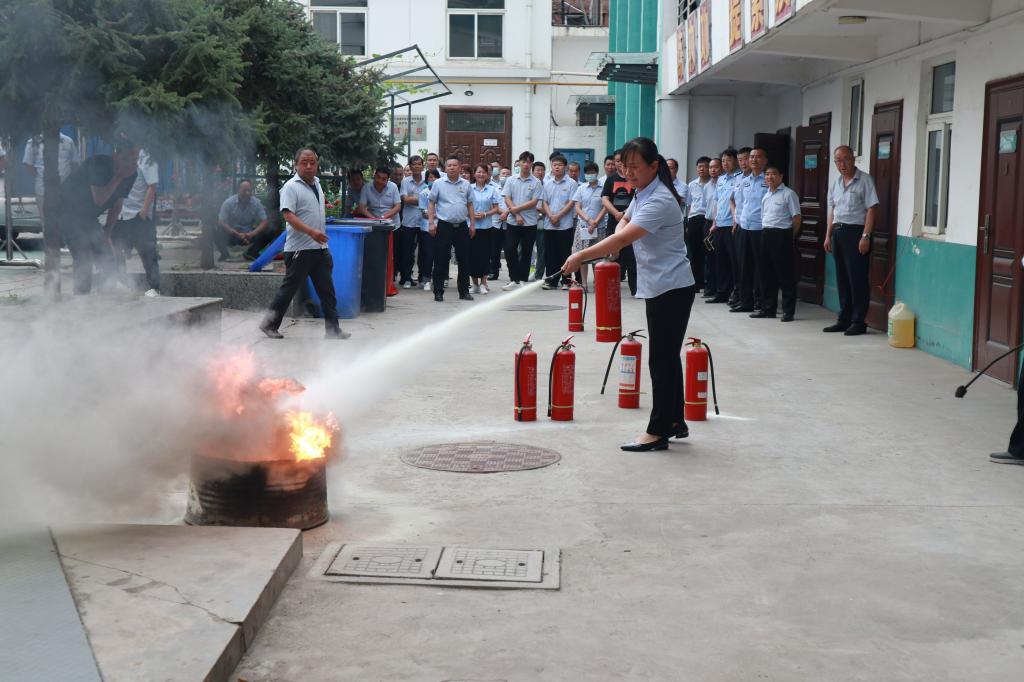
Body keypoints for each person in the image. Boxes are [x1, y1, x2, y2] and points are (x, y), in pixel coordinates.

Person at [562, 137, 696, 452]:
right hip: (661, 285)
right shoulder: (643, 193)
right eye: (625, 167)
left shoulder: (659, 200)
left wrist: (581, 255)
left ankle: (658, 431)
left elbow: (622, 239)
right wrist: (613, 242)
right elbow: (623, 222)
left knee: (660, 360)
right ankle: (675, 421)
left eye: (635, 167)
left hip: (671, 287)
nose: (629, 173)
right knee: (667, 357)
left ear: (654, 166)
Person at [260, 147, 348, 340]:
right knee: (289, 290)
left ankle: (333, 330)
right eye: (304, 163)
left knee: (327, 291)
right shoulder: (291, 187)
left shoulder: (317, 183)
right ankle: (269, 324)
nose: (308, 166)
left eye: (312, 163)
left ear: (317, 165)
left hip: (319, 248)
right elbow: (288, 215)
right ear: (296, 165)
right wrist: (311, 232)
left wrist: (317, 235)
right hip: (300, 249)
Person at [58, 141, 138, 294]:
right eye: (127, 158)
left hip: (88, 216)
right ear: (116, 155)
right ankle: (81, 298)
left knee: (106, 254)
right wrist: (118, 177)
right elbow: (99, 199)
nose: (132, 163)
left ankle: (106, 295)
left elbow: (118, 204)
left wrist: (107, 233)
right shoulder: (99, 165)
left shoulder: (132, 174)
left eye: (135, 159)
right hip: (67, 211)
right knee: (83, 255)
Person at [824, 145, 879, 336]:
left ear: (853, 159)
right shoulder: (836, 183)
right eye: (838, 161)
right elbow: (833, 210)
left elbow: (871, 209)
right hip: (838, 233)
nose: (842, 164)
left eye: (845, 159)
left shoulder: (865, 180)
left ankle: (858, 321)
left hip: (856, 234)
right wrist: (828, 235)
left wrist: (866, 236)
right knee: (842, 279)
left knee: (857, 279)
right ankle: (844, 319)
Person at [756, 165, 801, 321]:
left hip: (782, 235)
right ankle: (768, 309)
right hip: (766, 234)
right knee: (766, 274)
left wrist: (790, 237)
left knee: (785, 275)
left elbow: (797, 218)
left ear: (781, 176)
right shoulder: (766, 195)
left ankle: (788, 311)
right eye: (767, 174)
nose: (770, 177)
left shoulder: (789, 194)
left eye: (773, 174)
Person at [112, 149, 161, 296]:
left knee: (148, 254)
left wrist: (143, 213)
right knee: (116, 250)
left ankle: (154, 288)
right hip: (120, 214)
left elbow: (152, 186)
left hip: (138, 215)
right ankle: (121, 284)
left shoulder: (147, 158)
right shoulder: (119, 154)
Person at [428, 155, 475, 302]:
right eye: (449, 165)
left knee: (464, 260)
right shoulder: (438, 183)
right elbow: (431, 203)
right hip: (444, 226)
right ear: (445, 167)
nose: (452, 168)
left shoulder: (466, 184)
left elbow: (470, 204)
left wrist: (472, 224)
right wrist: (431, 223)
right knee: (441, 259)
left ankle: (464, 291)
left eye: (455, 165)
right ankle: (438, 291)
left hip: (462, 226)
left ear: (459, 167)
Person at [730, 148, 768, 314]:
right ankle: (746, 301)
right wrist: (736, 220)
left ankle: (760, 302)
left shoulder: (768, 179)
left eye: (758, 157)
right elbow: (738, 202)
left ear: (765, 160)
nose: (754, 160)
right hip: (743, 227)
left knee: (760, 268)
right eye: (752, 157)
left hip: (760, 229)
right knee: (744, 266)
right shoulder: (743, 180)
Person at [501, 151, 543, 289]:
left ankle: (523, 279)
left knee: (526, 251)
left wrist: (516, 210)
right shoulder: (511, 180)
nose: (526, 164)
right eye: (523, 161)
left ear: (531, 164)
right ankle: (514, 279)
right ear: (519, 162)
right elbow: (507, 198)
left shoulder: (536, 182)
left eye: (529, 162)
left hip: (529, 223)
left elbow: (534, 202)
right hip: (513, 222)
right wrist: (517, 214)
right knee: (509, 249)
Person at [601, 149, 639, 296]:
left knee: (631, 257)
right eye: (617, 161)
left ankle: (635, 290)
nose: (619, 163)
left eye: (622, 160)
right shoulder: (611, 179)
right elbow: (605, 198)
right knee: (612, 255)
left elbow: (638, 199)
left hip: (631, 222)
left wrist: (625, 214)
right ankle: (612, 290)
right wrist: (616, 213)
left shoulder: (633, 178)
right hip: (613, 222)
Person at [23, 132, 80, 228]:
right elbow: (28, 165)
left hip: (65, 190)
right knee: (46, 221)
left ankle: (66, 238)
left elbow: (75, 162)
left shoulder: (68, 141)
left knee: (66, 220)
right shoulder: (33, 142)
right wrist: (41, 178)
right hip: (43, 190)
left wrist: (70, 181)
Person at [539, 154, 578, 290]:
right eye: (554, 165)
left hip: (565, 225)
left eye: (560, 165)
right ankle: (551, 281)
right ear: (551, 166)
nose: (557, 167)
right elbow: (544, 202)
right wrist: (551, 216)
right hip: (549, 224)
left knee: (564, 253)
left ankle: (566, 280)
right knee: (550, 254)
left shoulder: (571, 183)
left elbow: (571, 203)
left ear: (565, 167)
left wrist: (558, 216)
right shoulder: (547, 183)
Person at [707, 148, 740, 304]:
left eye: (729, 160)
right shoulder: (720, 179)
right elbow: (717, 202)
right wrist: (714, 223)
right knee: (721, 260)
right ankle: (722, 292)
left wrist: (736, 221)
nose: (725, 163)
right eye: (723, 161)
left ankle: (736, 293)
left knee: (734, 261)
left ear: (736, 161)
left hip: (732, 225)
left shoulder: (740, 178)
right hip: (719, 224)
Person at [216, 179, 274, 261]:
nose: (247, 193)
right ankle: (224, 254)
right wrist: (236, 233)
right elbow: (221, 221)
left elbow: (264, 221)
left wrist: (252, 234)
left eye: (249, 190)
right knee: (215, 229)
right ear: (238, 190)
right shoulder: (228, 202)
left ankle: (251, 252)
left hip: (249, 235)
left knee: (270, 231)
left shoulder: (256, 203)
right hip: (232, 235)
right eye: (244, 190)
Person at [570, 161, 607, 290]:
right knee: (582, 255)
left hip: (599, 227)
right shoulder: (581, 188)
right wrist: (588, 220)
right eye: (588, 173)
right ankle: (584, 283)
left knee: (597, 256)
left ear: (597, 173)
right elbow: (577, 207)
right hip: (583, 227)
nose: (590, 175)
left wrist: (595, 222)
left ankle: (598, 282)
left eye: (592, 172)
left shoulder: (603, 188)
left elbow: (605, 207)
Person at [469, 163, 500, 294]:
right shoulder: (469, 188)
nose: (481, 174)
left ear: (487, 175)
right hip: (471, 227)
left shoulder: (492, 189)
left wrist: (485, 214)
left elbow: (496, 208)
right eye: (478, 172)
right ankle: (474, 284)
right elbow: (465, 205)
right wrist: (472, 215)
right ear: (474, 174)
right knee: (471, 256)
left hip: (487, 227)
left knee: (485, 256)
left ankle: (483, 283)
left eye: (483, 172)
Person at [728, 146, 753, 307]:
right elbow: (732, 199)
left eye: (746, 159)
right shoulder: (737, 178)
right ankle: (742, 297)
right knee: (740, 264)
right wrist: (735, 217)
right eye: (740, 160)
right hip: (740, 226)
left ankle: (753, 299)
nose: (743, 163)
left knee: (752, 265)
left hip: (755, 227)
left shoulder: (763, 178)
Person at [398, 155, 427, 288]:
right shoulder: (405, 182)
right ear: (410, 166)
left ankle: (422, 277)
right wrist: (423, 200)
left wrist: (414, 199)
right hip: (408, 221)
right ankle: (406, 278)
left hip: (424, 221)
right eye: (414, 164)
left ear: (422, 166)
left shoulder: (427, 180)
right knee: (407, 251)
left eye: (419, 164)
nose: (416, 166)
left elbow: (432, 199)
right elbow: (405, 200)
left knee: (424, 251)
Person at [684, 157, 712, 294]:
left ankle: (708, 283)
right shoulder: (691, 185)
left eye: (705, 166)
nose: (702, 169)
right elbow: (689, 205)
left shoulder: (713, 184)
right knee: (694, 253)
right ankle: (696, 282)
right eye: (700, 166)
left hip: (707, 220)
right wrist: (689, 222)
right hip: (694, 220)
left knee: (708, 252)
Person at [417, 169, 440, 289]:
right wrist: (435, 214)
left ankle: (439, 279)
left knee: (440, 255)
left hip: (441, 226)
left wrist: (436, 214)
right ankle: (426, 280)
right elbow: (423, 213)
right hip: (427, 228)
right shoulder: (423, 193)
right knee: (428, 254)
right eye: (430, 177)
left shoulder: (442, 192)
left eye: (435, 177)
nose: (433, 179)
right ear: (426, 180)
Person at [489, 166, 512, 280]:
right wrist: (503, 213)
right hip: (495, 223)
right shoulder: (494, 189)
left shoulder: (513, 189)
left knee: (510, 250)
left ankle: (513, 274)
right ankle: (493, 272)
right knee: (494, 250)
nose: (505, 176)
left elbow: (515, 204)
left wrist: (507, 213)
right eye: (503, 174)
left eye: (507, 174)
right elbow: (493, 205)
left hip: (510, 223)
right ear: (499, 175)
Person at [704, 158, 722, 297]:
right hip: (708, 222)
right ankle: (710, 288)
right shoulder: (707, 186)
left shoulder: (724, 183)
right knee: (709, 256)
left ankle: (720, 289)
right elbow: (706, 206)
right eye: (710, 167)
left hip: (720, 224)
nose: (712, 170)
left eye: (715, 167)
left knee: (719, 257)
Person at [531, 160, 548, 281]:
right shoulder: (530, 185)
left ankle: (538, 275)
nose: (540, 172)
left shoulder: (548, 186)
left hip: (543, 222)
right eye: (538, 170)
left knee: (542, 250)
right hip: (528, 222)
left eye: (542, 170)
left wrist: (542, 212)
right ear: (533, 172)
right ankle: (524, 273)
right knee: (525, 249)